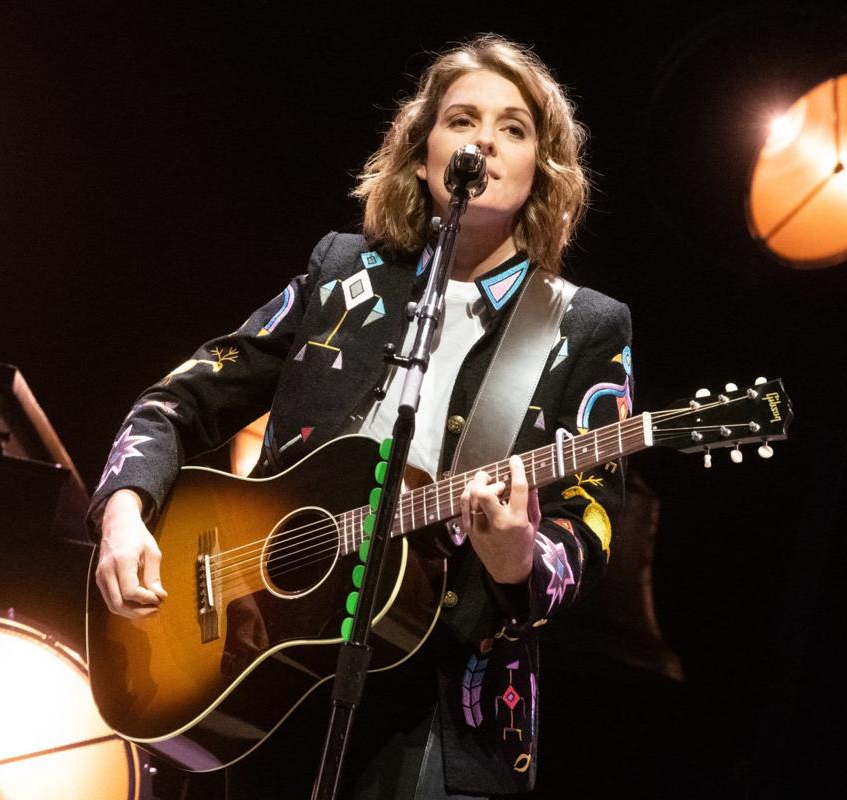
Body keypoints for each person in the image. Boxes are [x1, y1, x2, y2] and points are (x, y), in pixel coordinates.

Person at [90, 34, 633, 798]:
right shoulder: (343, 270)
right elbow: (180, 398)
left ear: (542, 168)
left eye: (513, 128)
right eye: (462, 119)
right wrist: (124, 510)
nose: (483, 140)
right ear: (422, 150)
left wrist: (520, 559)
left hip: (439, 708)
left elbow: (590, 525)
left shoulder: (582, 327)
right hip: (264, 671)